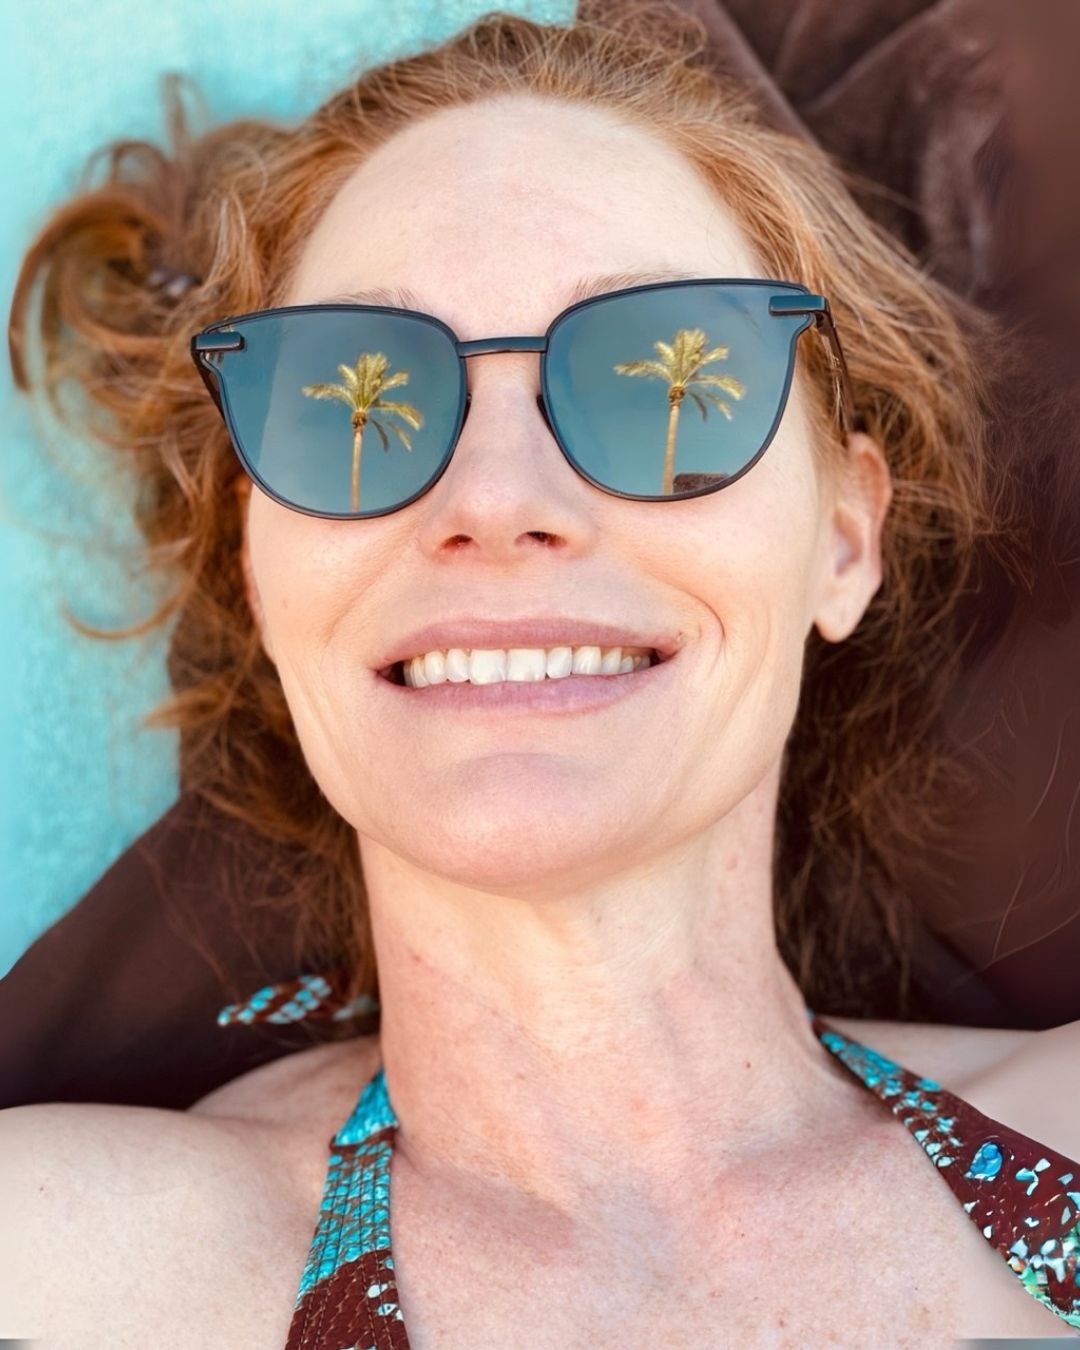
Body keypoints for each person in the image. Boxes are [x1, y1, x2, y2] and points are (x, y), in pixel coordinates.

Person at [3, 2, 1078, 1344]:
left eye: (664, 387)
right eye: (356, 404)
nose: (499, 500)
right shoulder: (50, 1266)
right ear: (254, 571)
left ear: (845, 538)